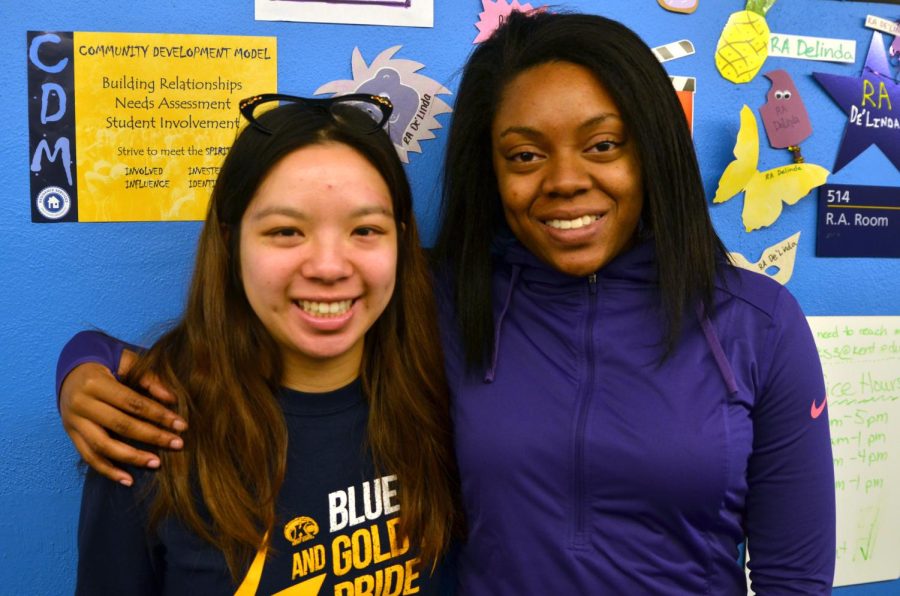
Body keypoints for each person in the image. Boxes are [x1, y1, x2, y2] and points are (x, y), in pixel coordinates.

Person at [58, 11, 835, 594]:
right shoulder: (442, 297)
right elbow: (302, 300)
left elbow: (794, 578)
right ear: (489, 171)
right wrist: (86, 363)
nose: (565, 179)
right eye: (525, 155)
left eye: (604, 144)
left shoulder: (757, 324)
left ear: (653, 150)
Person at [69, 93, 460, 595]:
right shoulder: (146, 431)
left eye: (365, 229)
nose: (328, 266)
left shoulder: (447, 398)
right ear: (231, 244)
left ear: (400, 242)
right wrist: (83, 357)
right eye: (286, 231)